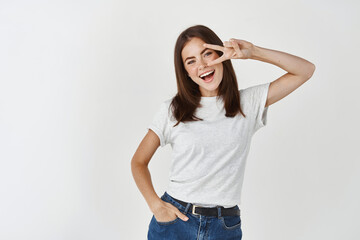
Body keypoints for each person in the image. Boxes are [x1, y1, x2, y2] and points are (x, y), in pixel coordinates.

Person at [131, 24, 315, 240]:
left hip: (224, 227)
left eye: (207, 54)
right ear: (186, 73)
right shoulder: (173, 109)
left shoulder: (247, 104)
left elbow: (305, 70)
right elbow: (138, 162)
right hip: (175, 223)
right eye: (191, 61)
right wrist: (156, 206)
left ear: (221, 54)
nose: (202, 65)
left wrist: (253, 52)